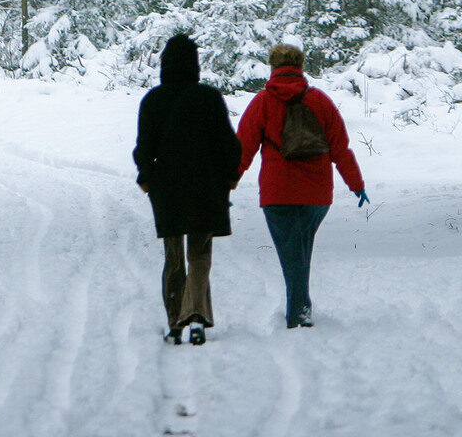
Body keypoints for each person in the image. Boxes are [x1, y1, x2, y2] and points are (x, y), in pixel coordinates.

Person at [235, 43, 367, 329]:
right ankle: (301, 308)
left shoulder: (263, 102)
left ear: (273, 67)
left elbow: (242, 148)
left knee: (293, 252)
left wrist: (227, 184)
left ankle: (299, 312)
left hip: (277, 193)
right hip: (317, 195)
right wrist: (356, 184)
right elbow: (340, 148)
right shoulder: (320, 101)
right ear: (300, 67)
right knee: (299, 248)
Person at [134, 31, 240, 346]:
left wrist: (147, 177)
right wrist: (229, 177)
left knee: (173, 255)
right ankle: (196, 316)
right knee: (200, 252)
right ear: (194, 65)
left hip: (167, 187)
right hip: (206, 184)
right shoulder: (209, 97)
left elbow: (144, 148)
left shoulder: (152, 100)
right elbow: (229, 145)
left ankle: (174, 321)